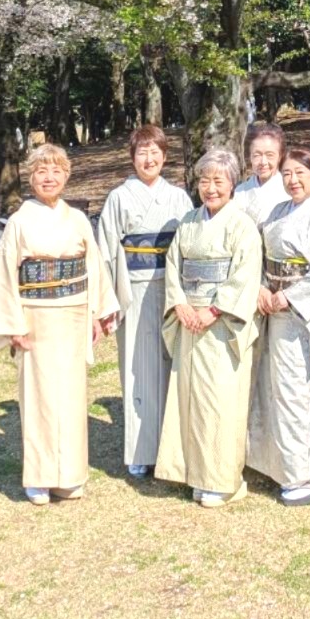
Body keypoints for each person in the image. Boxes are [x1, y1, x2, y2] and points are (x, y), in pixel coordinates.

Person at [0, 144, 118, 505]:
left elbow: (95, 268)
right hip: (34, 319)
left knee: (71, 398)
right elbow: (5, 275)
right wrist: (12, 324)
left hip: (71, 316)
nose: (49, 177)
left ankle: (69, 475)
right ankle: (38, 476)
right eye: (41, 171)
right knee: (38, 397)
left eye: (56, 171)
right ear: (31, 178)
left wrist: (98, 315)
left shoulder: (78, 220)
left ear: (66, 176)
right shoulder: (20, 221)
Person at [155, 148, 261, 508]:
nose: (211, 188)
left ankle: (221, 479)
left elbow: (245, 275)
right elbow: (174, 267)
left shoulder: (242, 225)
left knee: (220, 401)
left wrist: (215, 309)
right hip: (190, 322)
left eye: (219, 180)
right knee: (189, 398)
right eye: (204, 180)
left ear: (233, 183)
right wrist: (181, 304)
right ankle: (194, 473)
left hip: (219, 326)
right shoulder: (188, 222)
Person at [247, 146, 310, 506]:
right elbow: (260, 257)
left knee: (302, 394)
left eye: (300, 174)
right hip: (275, 310)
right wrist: (262, 285)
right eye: (287, 174)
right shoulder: (277, 212)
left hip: (303, 314)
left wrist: (290, 297)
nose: (293, 180)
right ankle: (285, 466)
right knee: (277, 390)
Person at [96, 124, 192, 477]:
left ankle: (171, 447)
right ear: (132, 158)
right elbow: (106, 251)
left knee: (172, 365)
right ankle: (140, 450)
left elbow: (188, 245)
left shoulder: (180, 197)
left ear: (165, 156)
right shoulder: (119, 197)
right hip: (133, 289)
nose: (149, 159)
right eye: (142, 152)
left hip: (171, 289)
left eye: (155, 152)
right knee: (137, 368)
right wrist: (108, 301)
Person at [234, 123, 289, 224]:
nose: (263, 162)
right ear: (250, 157)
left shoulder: (288, 191)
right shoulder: (240, 192)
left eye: (270, 155)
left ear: (280, 157)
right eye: (257, 155)